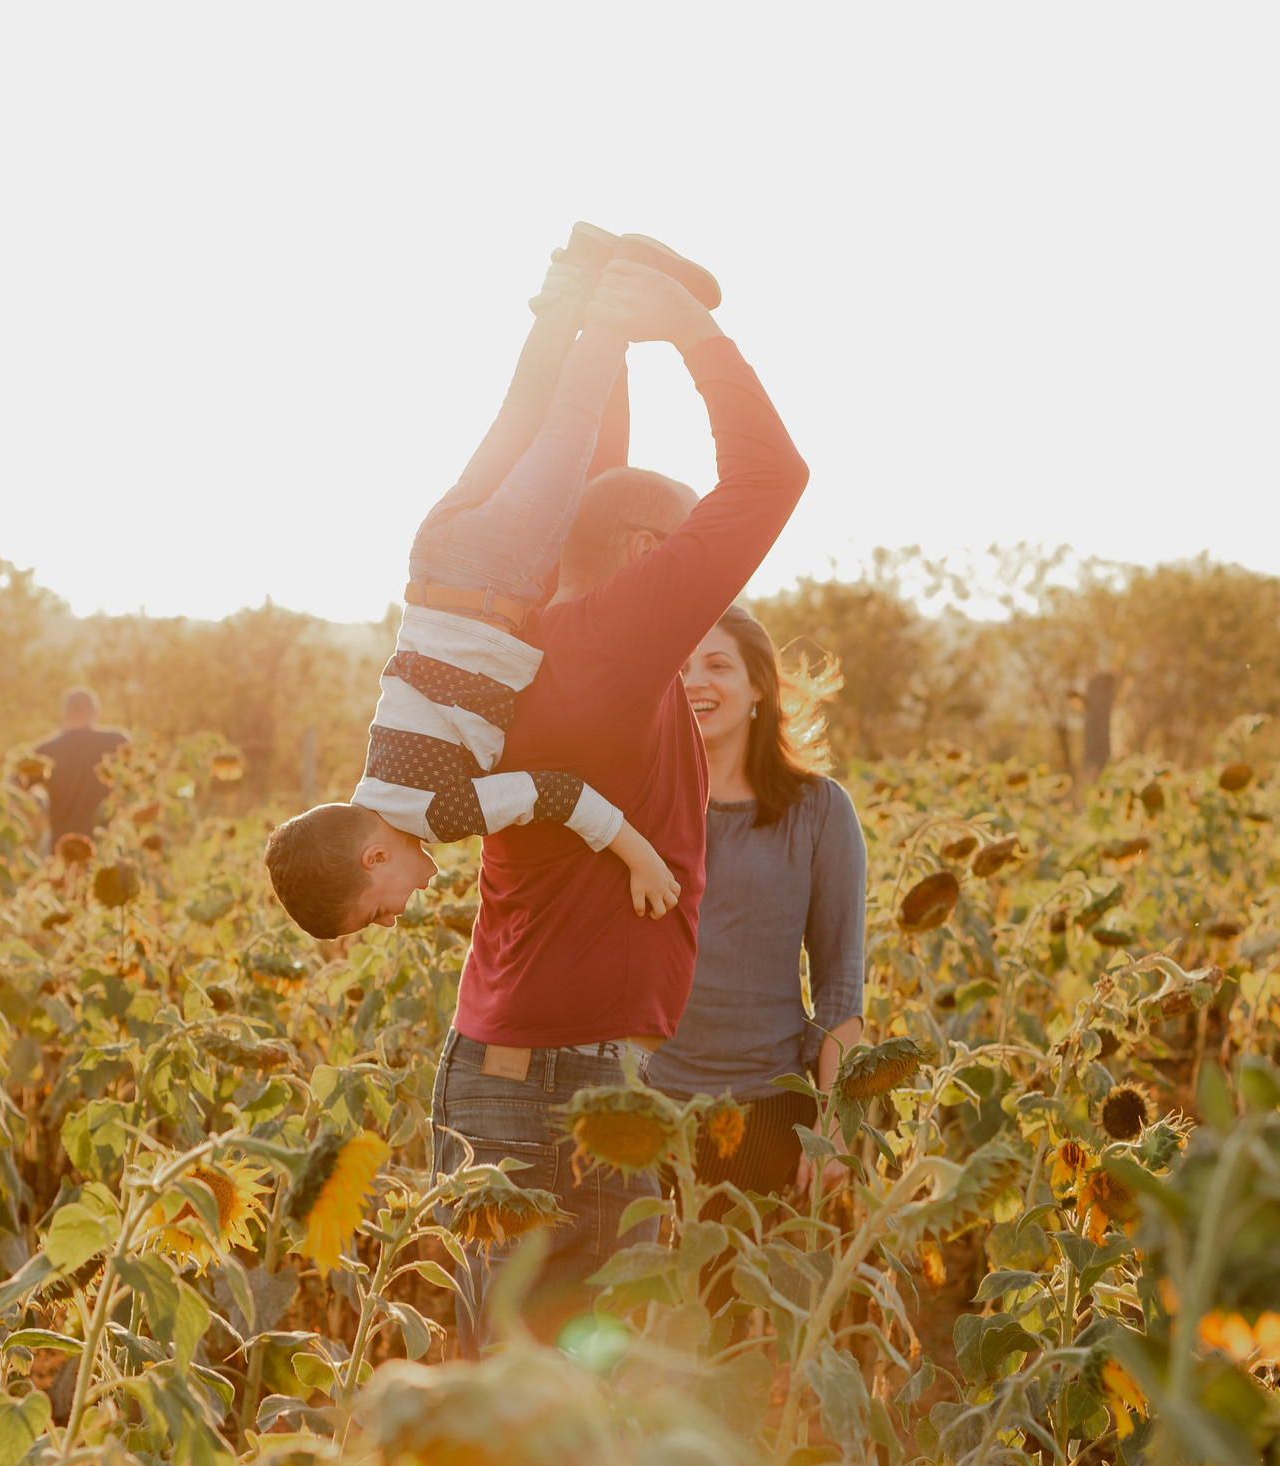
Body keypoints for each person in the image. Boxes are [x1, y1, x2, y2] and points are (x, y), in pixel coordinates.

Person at [429, 259, 810, 1349]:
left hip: (517, 1066)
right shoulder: (609, 644)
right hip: (558, 1086)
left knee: (513, 1383)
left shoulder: (548, 619)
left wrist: (611, 341)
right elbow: (771, 478)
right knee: (562, 1398)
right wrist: (692, 332)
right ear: (648, 561)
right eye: (680, 552)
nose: (703, 585)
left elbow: (587, 478)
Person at [264, 226, 713, 938]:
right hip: (436, 562)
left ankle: (624, 285)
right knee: (525, 409)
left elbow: (559, 794)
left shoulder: (438, 813)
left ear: (375, 855)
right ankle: (579, 266)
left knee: (572, 421)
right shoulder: (378, 781)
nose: (399, 911)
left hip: (496, 577)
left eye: (380, 906)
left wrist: (641, 856)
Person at [646, 608, 867, 1199]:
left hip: (768, 1113)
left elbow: (840, 985)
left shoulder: (819, 810)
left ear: (759, 688)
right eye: (683, 667)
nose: (696, 682)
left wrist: (835, 1129)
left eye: (719, 666)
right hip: (646, 1107)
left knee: (738, 1291)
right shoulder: (641, 809)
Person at [36, 689, 129, 850]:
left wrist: (40, 801)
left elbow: (14, 787)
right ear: (96, 713)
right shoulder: (117, 741)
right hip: (107, 848)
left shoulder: (44, 750)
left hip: (62, 849)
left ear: (63, 715)